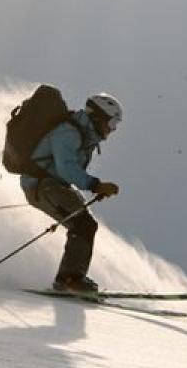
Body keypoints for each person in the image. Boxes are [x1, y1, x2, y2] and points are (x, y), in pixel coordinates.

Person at [19, 92, 124, 294]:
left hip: (54, 186)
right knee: (82, 224)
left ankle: (73, 278)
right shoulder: (69, 132)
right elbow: (66, 167)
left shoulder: (85, 135)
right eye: (112, 123)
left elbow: (67, 171)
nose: (112, 130)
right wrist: (95, 184)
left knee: (86, 225)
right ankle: (69, 280)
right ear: (99, 117)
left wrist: (94, 186)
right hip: (40, 185)